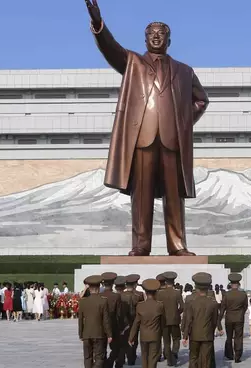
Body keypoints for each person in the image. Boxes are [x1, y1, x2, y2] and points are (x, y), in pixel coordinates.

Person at [84, 0, 209, 257]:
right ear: (144, 39)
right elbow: (110, 48)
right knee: (141, 195)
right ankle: (141, 245)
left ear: (169, 40)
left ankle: (177, 245)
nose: (156, 37)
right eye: (151, 33)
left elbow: (201, 100)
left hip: (172, 140)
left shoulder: (184, 71)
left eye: (161, 34)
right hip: (142, 138)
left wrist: (183, 122)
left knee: (175, 196)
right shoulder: (132, 63)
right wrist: (98, 24)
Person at [183, 273, 221, 368]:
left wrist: (185, 336)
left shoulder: (192, 302)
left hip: (194, 335)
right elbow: (215, 321)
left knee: (193, 358)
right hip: (207, 336)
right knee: (206, 361)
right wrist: (212, 330)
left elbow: (188, 320)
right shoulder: (213, 303)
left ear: (196, 287)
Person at [129, 278, 165, 368]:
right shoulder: (160, 305)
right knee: (153, 359)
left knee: (144, 358)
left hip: (144, 336)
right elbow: (163, 322)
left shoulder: (140, 305)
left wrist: (131, 337)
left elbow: (136, 323)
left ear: (145, 292)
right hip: (155, 335)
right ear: (156, 292)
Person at [79, 275, 113, 368]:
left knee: (87, 357)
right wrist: (109, 334)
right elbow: (106, 320)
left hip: (86, 334)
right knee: (100, 357)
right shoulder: (103, 301)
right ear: (98, 288)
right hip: (99, 334)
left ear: (89, 288)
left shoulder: (83, 301)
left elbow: (80, 320)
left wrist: (81, 334)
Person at [218, 273, 249, 362]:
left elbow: (223, 308)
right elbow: (245, 306)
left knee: (229, 336)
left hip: (229, 318)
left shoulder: (226, 295)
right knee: (238, 337)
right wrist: (241, 313)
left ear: (230, 284)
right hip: (239, 318)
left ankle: (229, 354)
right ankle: (238, 355)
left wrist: (219, 320)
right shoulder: (243, 294)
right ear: (238, 284)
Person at [156, 271, 184, 367]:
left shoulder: (159, 294)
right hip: (174, 319)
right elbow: (182, 306)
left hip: (164, 320)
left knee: (166, 341)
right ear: (173, 281)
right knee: (176, 339)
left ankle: (169, 359)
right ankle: (174, 352)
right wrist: (177, 313)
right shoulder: (177, 292)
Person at [100, 272, 124, 368]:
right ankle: (109, 365)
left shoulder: (99, 296)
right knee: (116, 348)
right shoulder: (116, 296)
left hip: (100, 326)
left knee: (102, 349)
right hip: (113, 326)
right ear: (113, 283)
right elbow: (119, 314)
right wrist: (121, 327)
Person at [120, 274, 142, 367]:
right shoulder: (138, 295)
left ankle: (126, 355)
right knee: (134, 339)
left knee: (125, 339)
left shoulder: (121, 295)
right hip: (134, 320)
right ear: (135, 284)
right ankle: (131, 356)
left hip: (124, 321)